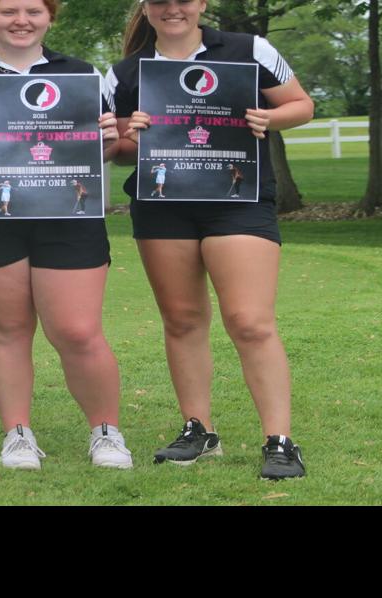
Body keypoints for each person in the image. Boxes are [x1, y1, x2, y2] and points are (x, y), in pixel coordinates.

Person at [109, 0, 315, 479]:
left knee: (250, 322)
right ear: (146, 7)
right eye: (160, 1)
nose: (173, 9)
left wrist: (270, 120)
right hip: (163, 204)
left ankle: (280, 441)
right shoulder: (125, 72)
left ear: (202, 3)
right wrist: (131, 136)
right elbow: (118, 149)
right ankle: (199, 431)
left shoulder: (249, 49)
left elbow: (302, 105)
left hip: (236, 199)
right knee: (182, 320)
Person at [0, 0, 133, 471]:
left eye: (33, 11)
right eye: (8, 11)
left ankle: (106, 432)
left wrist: (108, 140)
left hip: (66, 216)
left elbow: (105, 147)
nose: (21, 20)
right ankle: (17, 434)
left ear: (50, 18)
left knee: (78, 331)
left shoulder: (81, 74)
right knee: (8, 329)